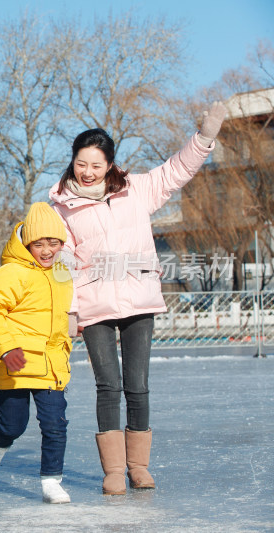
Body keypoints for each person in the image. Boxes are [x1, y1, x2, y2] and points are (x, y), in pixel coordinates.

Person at [48, 102, 227, 495]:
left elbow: (178, 169)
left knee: (138, 386)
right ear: (73, 162)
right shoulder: (59, 207)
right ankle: (113, 471)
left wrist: (205, 137)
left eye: (96, 165)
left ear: (110, 165)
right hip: (94, 306)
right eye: (81, 163)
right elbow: (63, 264)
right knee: (108, 386)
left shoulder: (138, 190)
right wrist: (71, 310)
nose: (87, 171)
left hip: (140, 301)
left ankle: (138, 466)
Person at [0, 202, 75, 504]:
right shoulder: (12, 272)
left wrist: (75, 325)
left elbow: (65, 310)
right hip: (15, 362)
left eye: (53, 243)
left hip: (51, 363)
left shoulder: (61, 272)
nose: (46, 250)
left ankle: (51, 481)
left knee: (56, 423)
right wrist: (4, 348)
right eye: (38, 243)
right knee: (14, 423)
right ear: (26, 243)